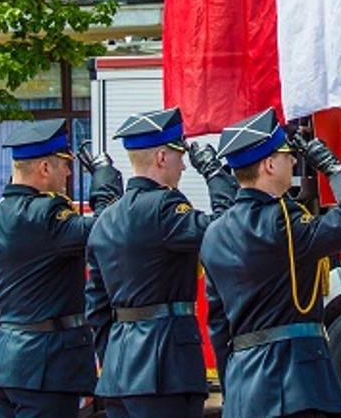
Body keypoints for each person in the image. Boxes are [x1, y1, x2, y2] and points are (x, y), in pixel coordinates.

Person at [200, 109, 341, 418]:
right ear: (269, 165)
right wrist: (334, 168)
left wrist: (233, 385)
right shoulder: (283, 222)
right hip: (296, 384)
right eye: (287, 155)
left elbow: (218, 325)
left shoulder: (214, 233)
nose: (295, 162)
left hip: (245, 386)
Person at [86, 109, 237, 418]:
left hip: (119, 370)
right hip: (165, 368)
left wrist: (113, 356)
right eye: (179, 156)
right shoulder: (166, 207)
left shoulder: (107, 218)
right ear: (161, 157)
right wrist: (214, 173)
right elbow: (228, 228)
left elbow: (96, 306)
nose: (183, 165)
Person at [0, 120, 123, 418]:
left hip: (6, 365)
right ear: (43, 168)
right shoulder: (47, 215)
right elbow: (106, 229)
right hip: (47, 368)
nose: (68, 173)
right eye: (63, 165)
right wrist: (104, 180)